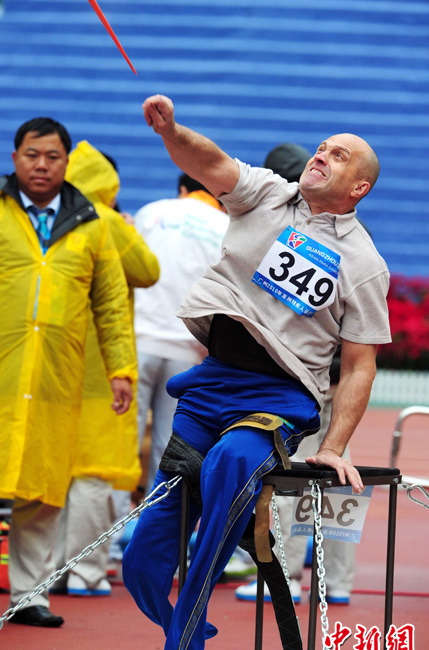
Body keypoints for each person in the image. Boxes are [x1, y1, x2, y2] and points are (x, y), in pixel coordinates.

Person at [122, 94, 391, 650]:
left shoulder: (365, 264)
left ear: (359, 187)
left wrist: (333, 447)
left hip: (279, 398)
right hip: (212, 384)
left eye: (338, 156)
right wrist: (171, 130)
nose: (321, 156)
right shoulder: (267, 193)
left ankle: (186, 636)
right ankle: (185, 618)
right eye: (321, 148)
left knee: (230, 462)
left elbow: (360, 365)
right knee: (142, 559)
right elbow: (210, 162)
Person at [0, 118, 137, 627]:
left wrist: (121, 368)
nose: (42, 165)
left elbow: (111, 303)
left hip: (56, 380)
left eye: (52, 156)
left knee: (41, 494)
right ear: (15, 158)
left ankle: (29, 596)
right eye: (32, 155)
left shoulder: (92, 224)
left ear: (66, 162)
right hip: (4, 373)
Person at [235, 143, 356, 606]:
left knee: (288, 476)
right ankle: (336, 581)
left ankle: (283, 578)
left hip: (302, 381)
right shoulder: (350, 231)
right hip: (338, 378)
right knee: (340, 475)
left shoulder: (294, 232)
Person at [53, 141, 160, 597]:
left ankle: (48, 570)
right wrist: (124, 227)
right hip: (101, 370)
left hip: (55, 368)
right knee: (93, 476)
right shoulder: (107, 220)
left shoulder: (49, 218)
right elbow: (148, 270)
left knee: (56, 473)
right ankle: (85, 570)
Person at [133, 172, 229, 493]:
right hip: (189, 352)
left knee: (124, 445)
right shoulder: (225, 226)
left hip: (137, 343)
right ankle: (157, 521)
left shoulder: (150, 213)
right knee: (169, 446)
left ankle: (115, 523)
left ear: (182, 189)